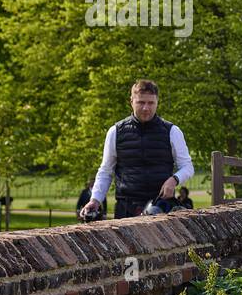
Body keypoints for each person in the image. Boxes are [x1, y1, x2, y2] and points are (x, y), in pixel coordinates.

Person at [81, 79, 195, 219]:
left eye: (151, 103)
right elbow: (105, 171)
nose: (146, 108)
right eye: (141, 102)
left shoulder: (172, 131)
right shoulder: (115, 132)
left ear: (157, 102)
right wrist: (95, 200)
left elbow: (188, 167)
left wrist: (174, 179)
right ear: (131, 102)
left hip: (160, 209)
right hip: (126, 210)